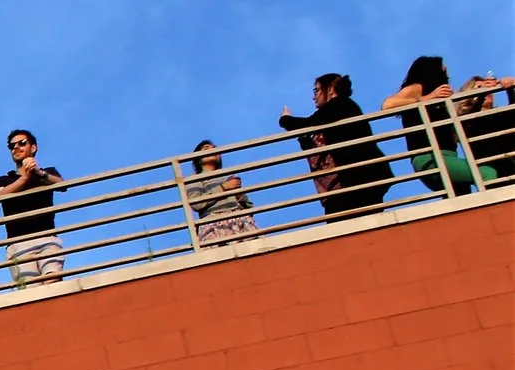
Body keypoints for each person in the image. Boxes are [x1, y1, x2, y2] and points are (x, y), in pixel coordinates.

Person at [280, 73, 392, 221]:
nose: (314, 97)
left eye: (317, 90)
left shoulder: (339, 105)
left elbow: (306, 125)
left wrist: (285, 119)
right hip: (349, 185)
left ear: (331, 89)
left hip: (355, 184)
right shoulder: (338, 110)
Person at [383, 57, 501, 197]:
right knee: (488, 173)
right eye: (443, 70)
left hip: (449, 157)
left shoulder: (442, 98)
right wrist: (428, 98)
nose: (447, 75)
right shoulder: (419, 87)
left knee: (463, 201)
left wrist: (481, 94)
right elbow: (387, 105)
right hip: (430, 157)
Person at [0, 130, 67, 287]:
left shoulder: (47, 173)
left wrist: (39, 173)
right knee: (31, 292)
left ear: (33, 148)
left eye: (22, 143)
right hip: (19, 243)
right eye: (12, 146)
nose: (16, 148)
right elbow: (1, 195)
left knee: (53, 282)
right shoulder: (2, 180)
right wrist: (25, 177)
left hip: (47, 237)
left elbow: (62, 185)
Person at [181, 141, 260, 247]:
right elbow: (197, 204)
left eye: (214, 148)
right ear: (198, 159)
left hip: (240, 221)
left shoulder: (226, 177)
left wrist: (239, 195)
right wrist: (224, 188)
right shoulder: (195, 179)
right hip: (214, 225)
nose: (212, 150)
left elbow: (249, 207)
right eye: (206, 148)